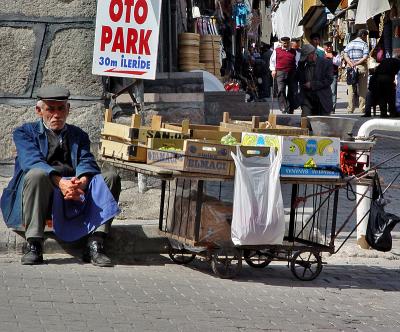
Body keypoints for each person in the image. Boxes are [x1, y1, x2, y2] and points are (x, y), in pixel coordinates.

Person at [0, 86, 121, 266]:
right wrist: (60, 183)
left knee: (110, 177)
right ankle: (34, 243)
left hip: (72, 193)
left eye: (61, 108)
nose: (56, 115)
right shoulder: (24, 133)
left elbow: (86, 161)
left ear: (68, 109)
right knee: (36, 174)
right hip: (42, 193)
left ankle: (95, 243)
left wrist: (81, 182)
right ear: (39, 111)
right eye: (50, 109)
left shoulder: (79, 135)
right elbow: (31, 161)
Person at [295, 44, 333, 116]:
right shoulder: (303, 64)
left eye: (306, 57)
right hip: (307, 99)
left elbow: (329, 80)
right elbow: (297, 77)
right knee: (306, 122)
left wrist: (312, 84)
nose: (305, 59)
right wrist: (300, 65)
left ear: (312, 54)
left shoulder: (326, 63)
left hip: (322, 98)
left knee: (322, 124)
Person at [269, 36, 300, 113]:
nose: (286, 44)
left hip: (291, 72)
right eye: (284, 42)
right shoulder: (277, 51)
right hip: (280, 72)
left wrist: (297, 70)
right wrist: (273, 70)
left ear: (289, 43)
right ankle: (283, 106)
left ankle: (290, 108)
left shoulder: (294, 51)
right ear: (281, 43)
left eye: (287, 42)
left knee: (292, 91)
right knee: (281, 90)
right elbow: (272, 61)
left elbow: (297, 62)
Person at [343, 29, 369, 114]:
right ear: (363, 35)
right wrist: (357, 63)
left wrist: (351, 63)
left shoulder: (349, 44)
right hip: (361, 67)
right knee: (362, 89)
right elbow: (365, 57)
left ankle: (350, 109)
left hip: (351, 68)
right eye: (366, 36)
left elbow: (345, 54)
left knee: (351, 89)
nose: (366, 38)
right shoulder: (364, 44)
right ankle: (362, 109)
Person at [324, 41, 341, 112]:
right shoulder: (321, 54)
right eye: (327, 46)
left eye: (330, 46)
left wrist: (332, 57)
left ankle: (332, 108)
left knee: (333, 92)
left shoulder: (336, 54)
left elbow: (339, 63)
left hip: (333, 75)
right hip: (323, 76)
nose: (329, 47)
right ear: (324, 47)